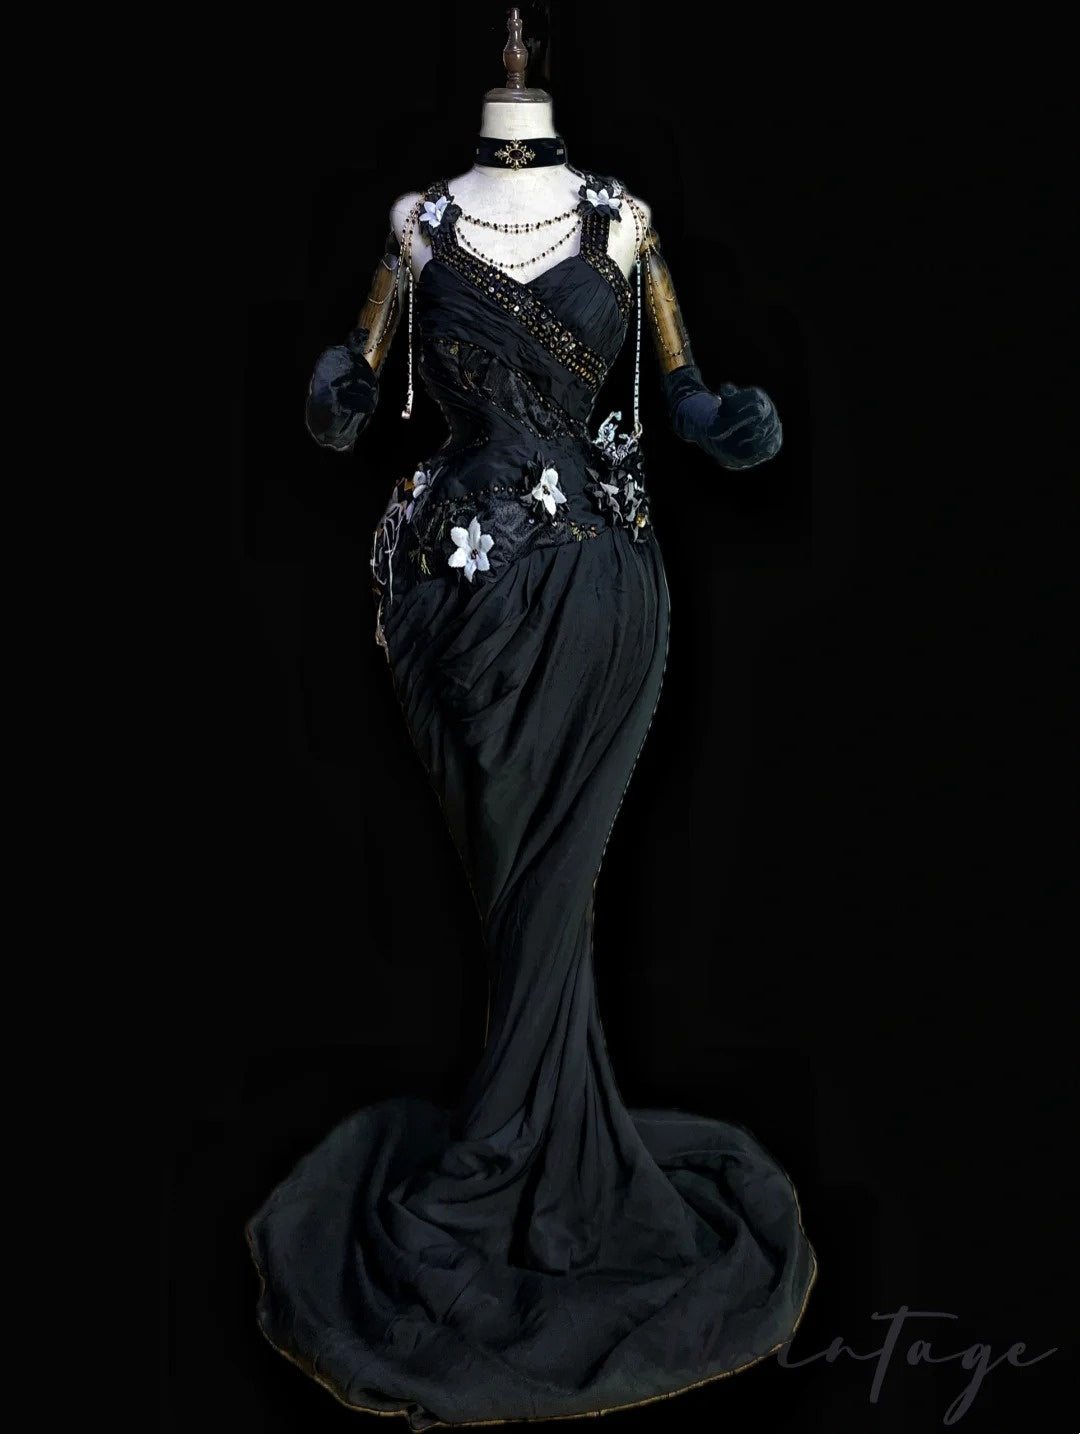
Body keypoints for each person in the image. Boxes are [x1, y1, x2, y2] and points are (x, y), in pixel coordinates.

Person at [246, 12, 815, 1428]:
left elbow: (686, 395)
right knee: (515, 890)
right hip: (453, 603)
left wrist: (728, 421)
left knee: (557, 892)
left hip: (604, 600)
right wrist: (331, 391)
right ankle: (530, 1136)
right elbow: (351, 389)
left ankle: (522, 1141)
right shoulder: (417, 225)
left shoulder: (624, 221)